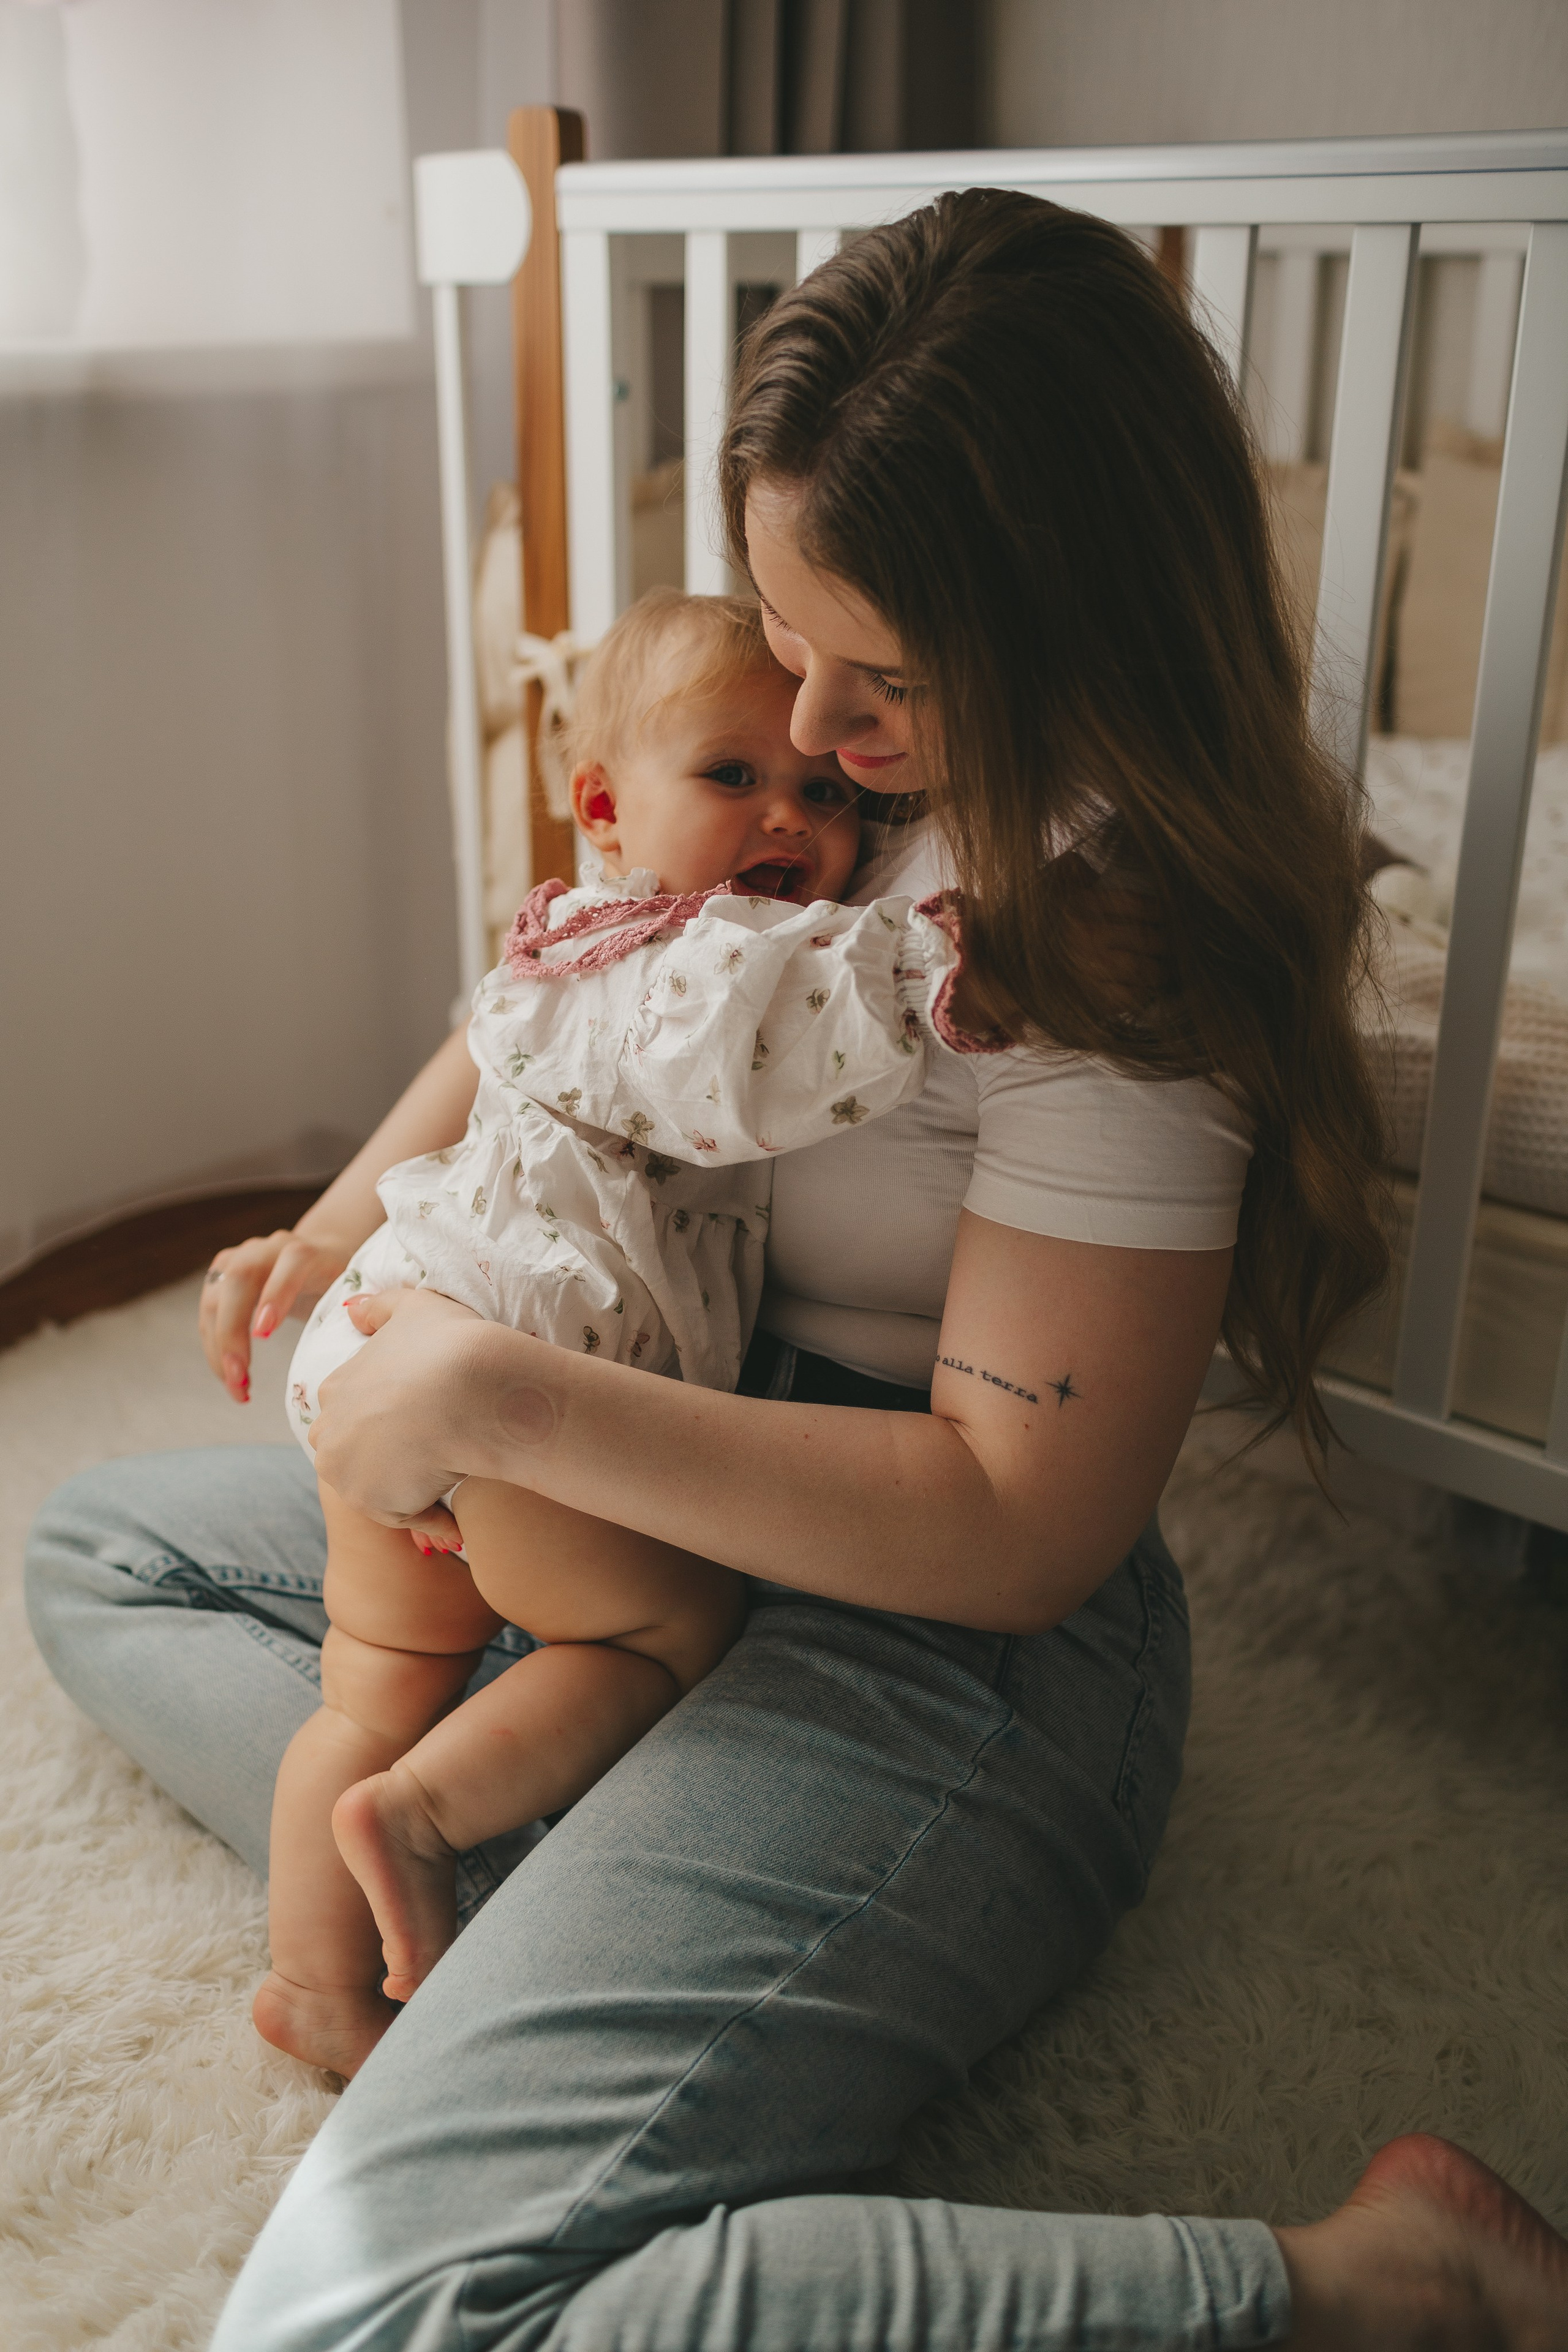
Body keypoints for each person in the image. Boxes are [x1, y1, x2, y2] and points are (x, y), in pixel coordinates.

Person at [26, 189, 1567, 2349]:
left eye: (889, 684)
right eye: (784, 638)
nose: (813, 726)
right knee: (100, 1547)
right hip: (652, 1472)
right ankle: (584, 1820)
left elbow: (1022, 1528)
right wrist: (348, 1231)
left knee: (380, 2313)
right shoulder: (789, 791)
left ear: (1066, 627)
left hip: (941, 1624)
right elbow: (551, 1002)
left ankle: (1367, 2294)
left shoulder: (1084, 921)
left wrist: (488, 1395)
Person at [260, 587, 981, 2074]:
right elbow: (774, 1056)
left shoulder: (551, 946)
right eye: (734, 777)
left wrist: (319, 1233)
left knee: (367, 1688)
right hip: (523, 1379)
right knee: (665, 1631)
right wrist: (943, 961)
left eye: (828, 795)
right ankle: (424, 1819)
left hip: (380, 1370)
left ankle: (318, 1987)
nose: (791, 812)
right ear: (601, 802)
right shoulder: (680, 961)